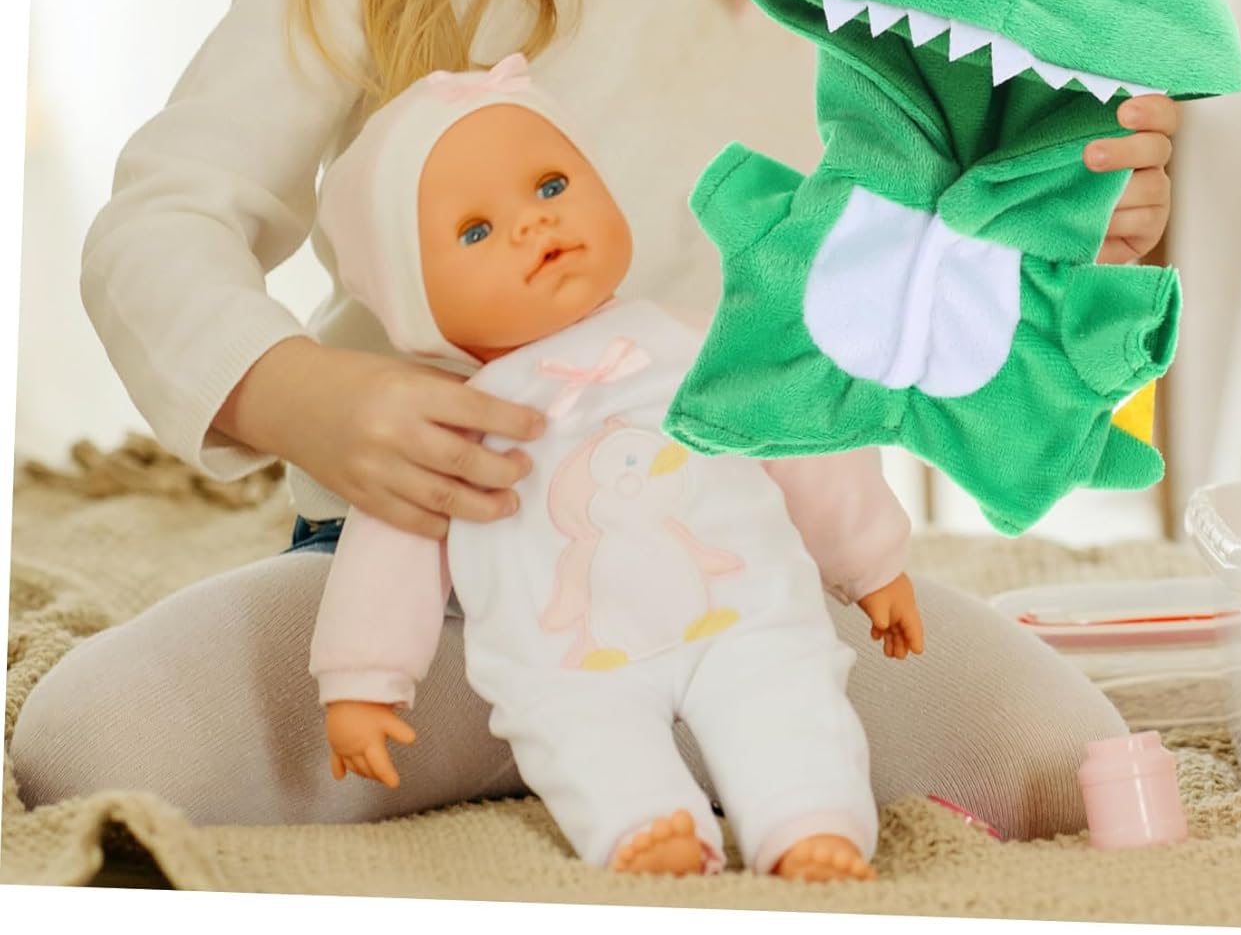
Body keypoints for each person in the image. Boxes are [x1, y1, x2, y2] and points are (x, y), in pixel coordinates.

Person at [12, 0, 1176, 834]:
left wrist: (1066, 228)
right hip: (435, 591)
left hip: (744, 577)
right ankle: (569, 733)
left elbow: (926, 297)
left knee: (1056, 752)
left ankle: (662, 739)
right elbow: (159, 224)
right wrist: (305, 395)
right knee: (97, 735)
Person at [312, 55, 921, 880]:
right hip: (570, 659)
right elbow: (391, 544)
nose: (532, 223)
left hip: (745, 612)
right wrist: (362, 676)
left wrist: (872, 559)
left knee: (787, 696)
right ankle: (644, 826)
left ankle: (810, 823)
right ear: (413, 304)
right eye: (476, 231)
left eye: (552, 185)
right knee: (578, 732)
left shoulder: (695, 339)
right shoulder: (446, 426)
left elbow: (802, 438)